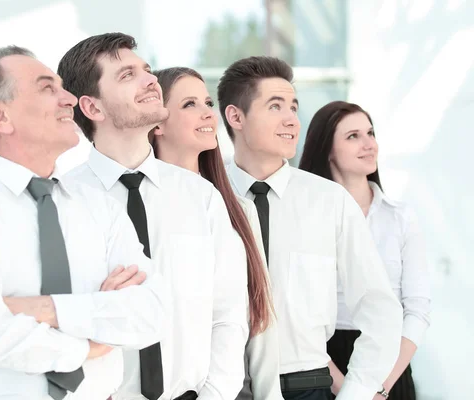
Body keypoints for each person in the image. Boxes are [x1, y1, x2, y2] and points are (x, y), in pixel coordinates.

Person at [0, 46, 166, 400]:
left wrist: (42, 309)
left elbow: (149, 315)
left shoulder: (101, 208)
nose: (69, 99)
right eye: (48, 88)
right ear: (0, 115)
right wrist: (89, 343)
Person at [57, 33, 249, 400]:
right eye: (127, 75)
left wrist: (213, 395)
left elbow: (227, 314)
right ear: (93, 108)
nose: (150, 81)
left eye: (146, 70)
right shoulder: (63, 201)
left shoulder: (201, 197)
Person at [217, 55, 404, 400]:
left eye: (293, 107)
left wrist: (356, 392)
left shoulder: (329, 201)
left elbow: (379, 307)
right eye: (275, 107)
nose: (292, 120)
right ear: (235, 116)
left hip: (307, 388)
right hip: (221, 387)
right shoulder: (207, 198)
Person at [148, 66, 278, 398]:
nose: (208, 113)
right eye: (190, 104)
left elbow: (247, 314)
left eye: (208, 102)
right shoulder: (135, 204)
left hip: (232, 386)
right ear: (157, 122)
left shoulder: (238, 206)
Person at [299, 101, 431, 400]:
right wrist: (347, 388)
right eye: (353, 136)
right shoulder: (305, 219)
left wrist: (379, 386)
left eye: (370, 133)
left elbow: (418, 308)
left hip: (391, 369)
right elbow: (297, 315)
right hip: (325, 367)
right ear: (327, 149)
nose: (369, 144)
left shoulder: (401, 217)